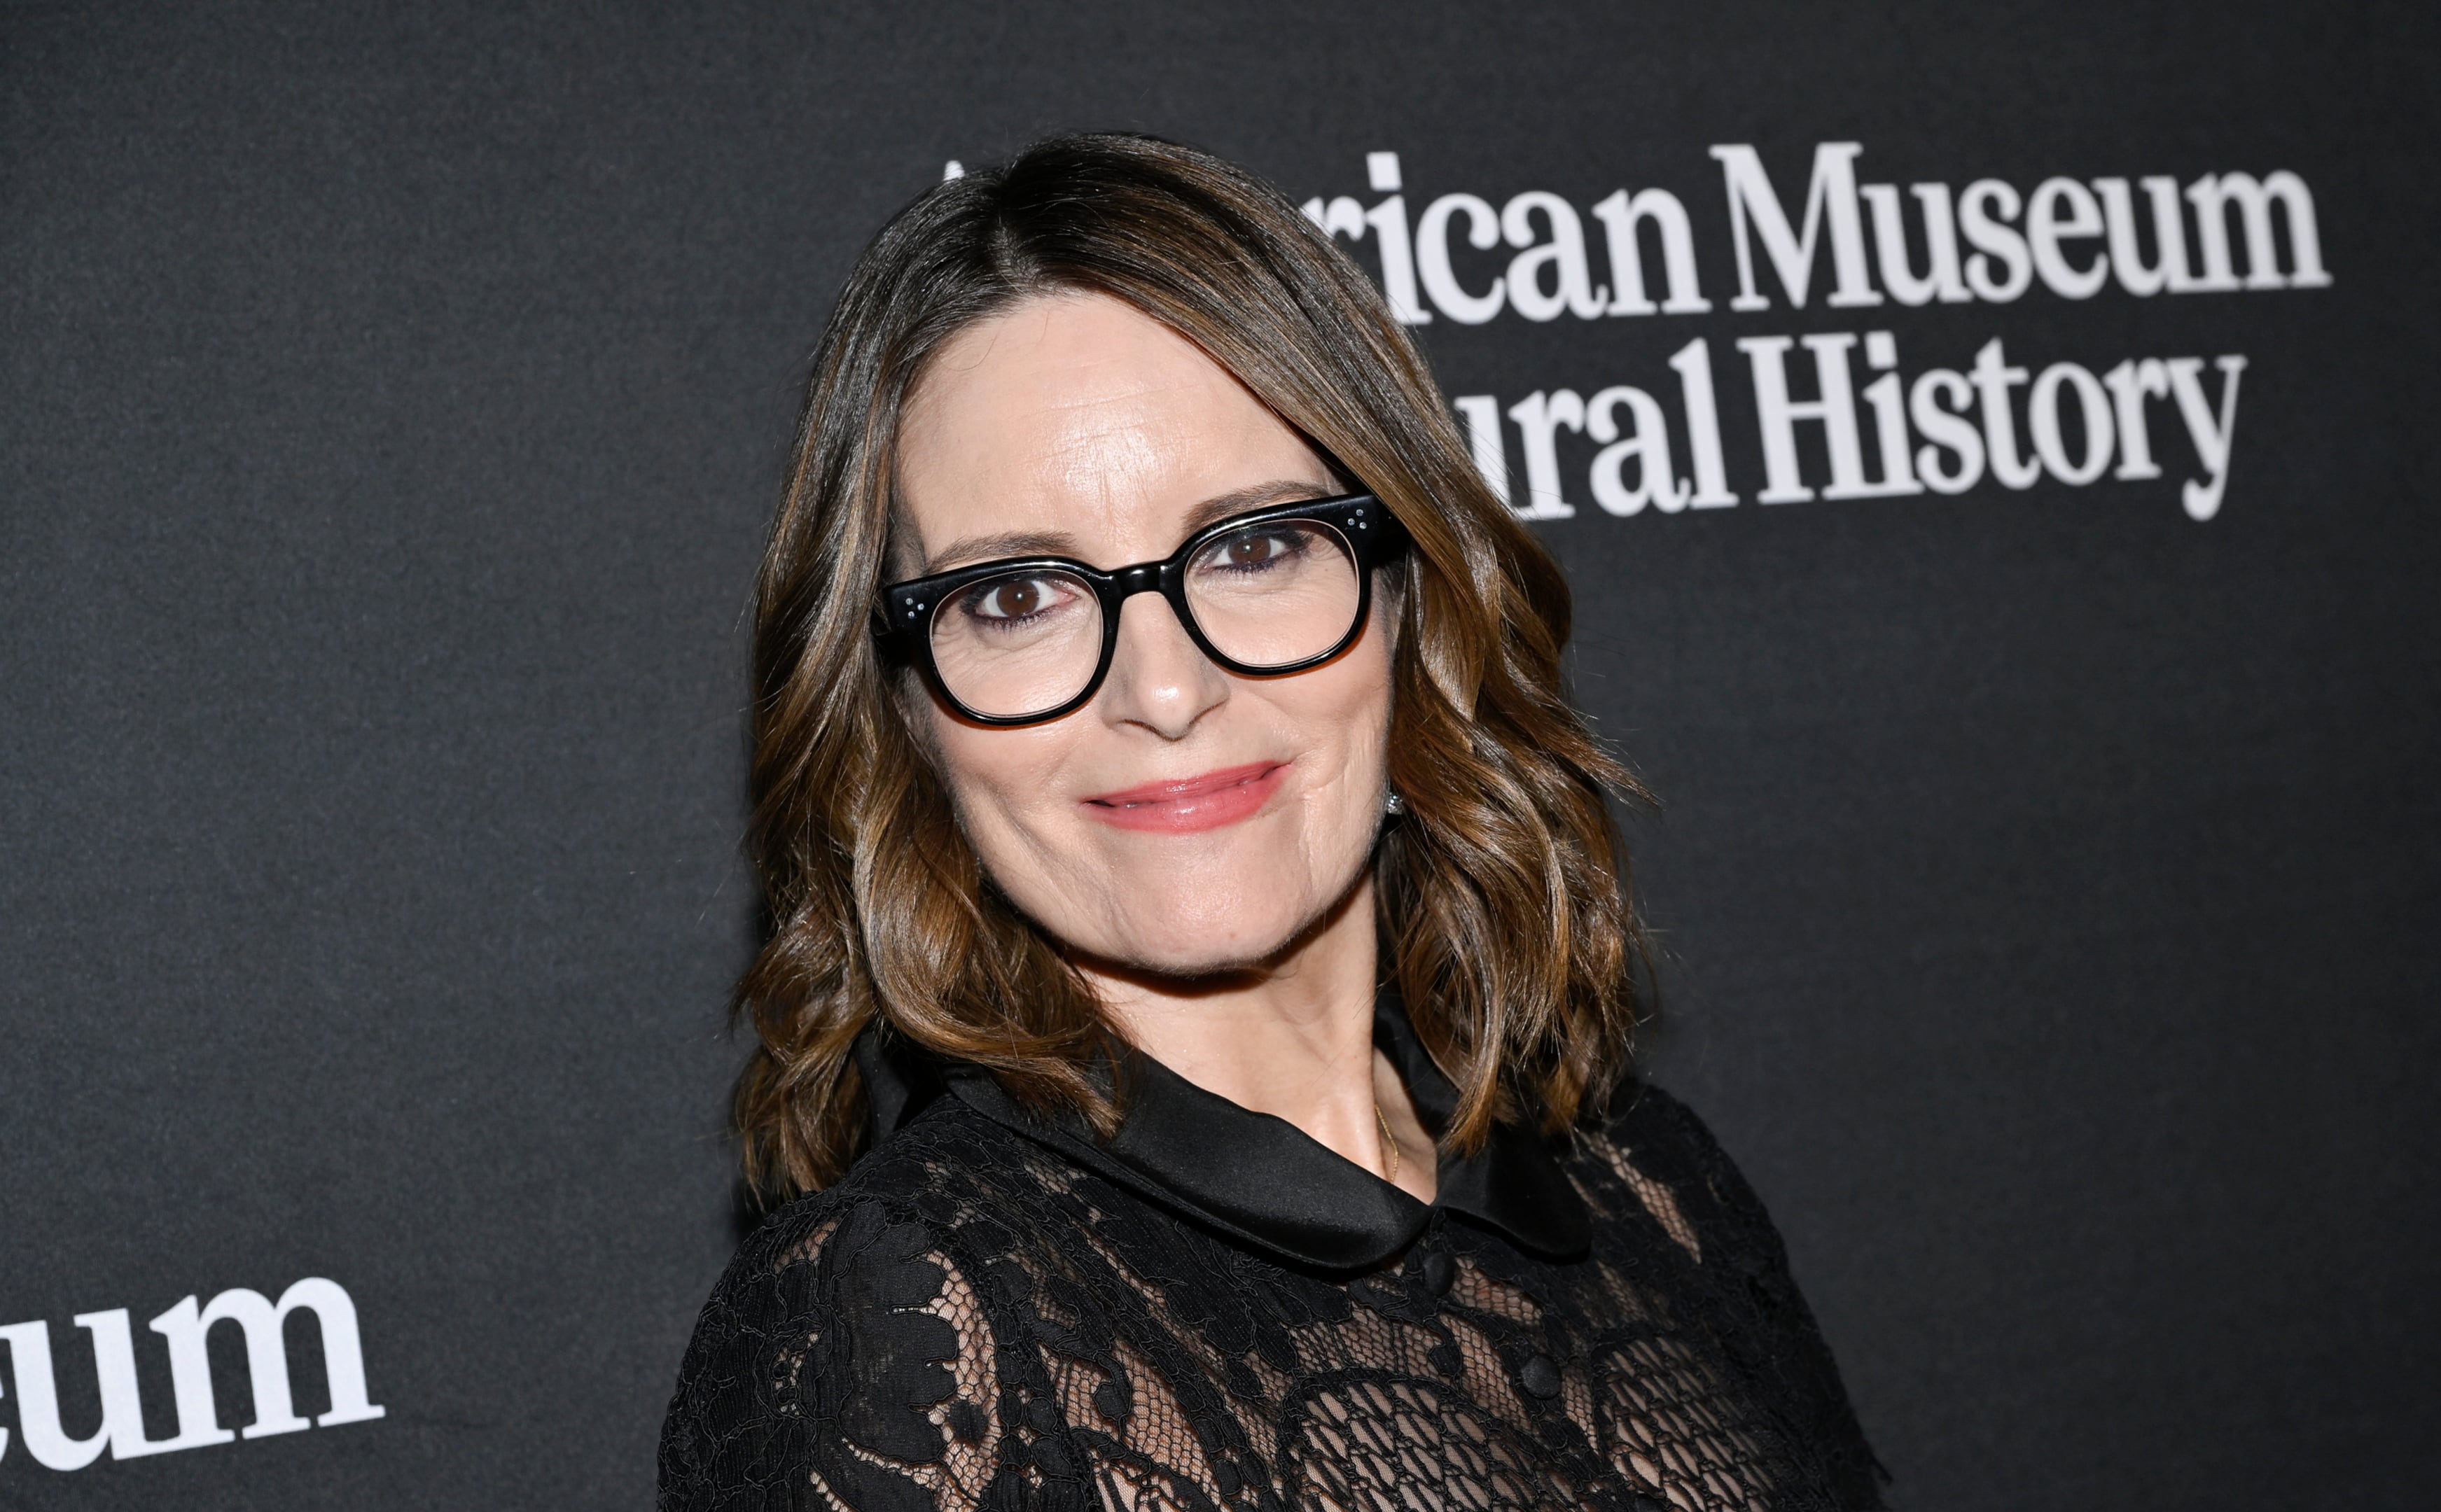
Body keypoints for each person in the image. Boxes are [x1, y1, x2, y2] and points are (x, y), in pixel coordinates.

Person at [658, 132, 1884, 1512]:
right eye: (1015, 596)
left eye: (1252, 547)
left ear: (1409, 601)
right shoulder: (901, 1341)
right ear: (903, 714)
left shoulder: (1654, 1191)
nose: (1165, 690)